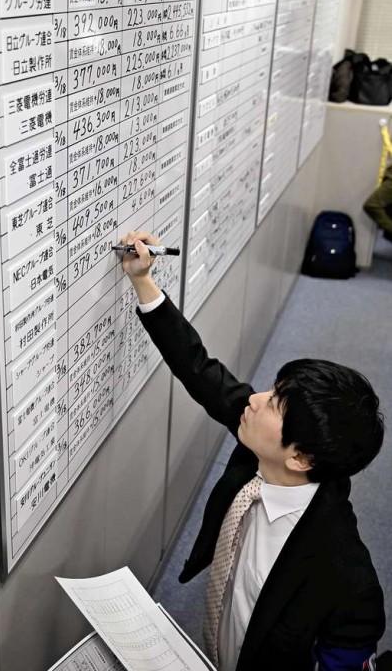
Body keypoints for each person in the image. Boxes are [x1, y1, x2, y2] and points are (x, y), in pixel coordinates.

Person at [117, 230, 386, 671]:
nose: (256, 399)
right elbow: (199, 368)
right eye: (274, 390)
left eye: (274, 404)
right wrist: (143, 280)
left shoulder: (347, 579)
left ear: (300, 458)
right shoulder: (268, 450)